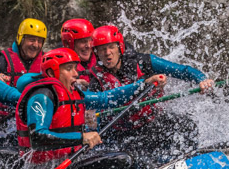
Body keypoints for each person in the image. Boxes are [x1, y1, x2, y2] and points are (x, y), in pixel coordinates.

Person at [15, 48, 161, 169]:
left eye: (75, 68)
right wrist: (82, 138)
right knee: (123, 160)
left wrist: (143, 84)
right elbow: (38, 137)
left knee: (134, 156)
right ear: (52, 72)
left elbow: (106, 98)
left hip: (69, 162)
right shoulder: (42, 97)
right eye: (69, 69)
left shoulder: (73, 93)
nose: (75, 73)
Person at [89, 25, 214, 160]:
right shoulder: (96, 80)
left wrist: (202, 80)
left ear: (120, 47)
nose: (107, 53)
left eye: (111, 47)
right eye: (102, 49)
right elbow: (94, 114)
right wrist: (92, 122)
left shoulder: (143, 61)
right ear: (96, 53)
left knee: (187, 126)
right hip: (123, 133)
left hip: (153, 121)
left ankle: (190, 160)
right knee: (133, 158)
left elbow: (181, 71)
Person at [60, 18, 97, 89]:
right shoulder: (60, 65)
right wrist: (69, 84)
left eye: (90, 40)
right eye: (83, 41)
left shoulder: (101, 55)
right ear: (68, 43)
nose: (89, 46)